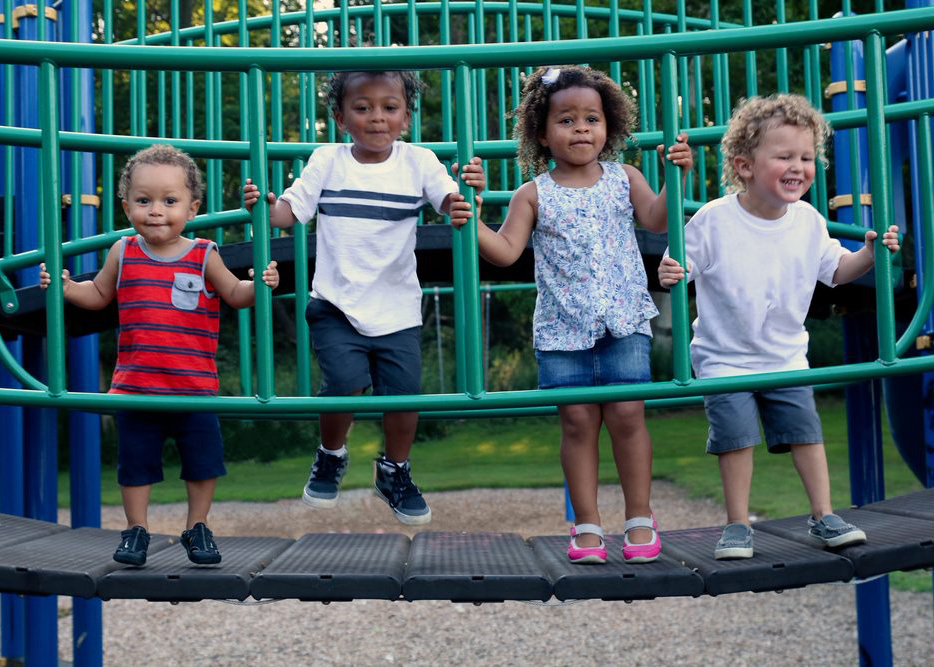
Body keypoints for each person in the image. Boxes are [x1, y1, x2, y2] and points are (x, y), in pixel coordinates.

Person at [452, 65, 693, 564]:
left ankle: (640, 519)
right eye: (566, 120)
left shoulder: (625, 178)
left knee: (628, 417)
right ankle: (586, 525)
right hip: (563, 330)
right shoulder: (533, 193)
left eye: (592, 119)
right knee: (578, 424)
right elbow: (504, 251)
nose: (581, 129)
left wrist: (676, 177)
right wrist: (472, 223)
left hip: (624, 320)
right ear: (542, 132)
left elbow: (656, 219)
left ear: (609, 127)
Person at [658, 94, 900, 559]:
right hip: (725, 358)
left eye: (807, 157)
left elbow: (836, 270)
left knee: (806, 433)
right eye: (785, 156)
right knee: (736, 437)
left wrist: (868, 255)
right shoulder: (715, 219)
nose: (799, 166)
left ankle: (824, 515)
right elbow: (679, 264)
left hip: (786, 355)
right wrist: (672, 271)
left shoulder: (807, 221)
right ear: (744, 165)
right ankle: (736, 525)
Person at [243, 70, 485, 525]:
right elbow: (288, 214)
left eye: (389, 108)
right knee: (344, 384)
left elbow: (451, 203)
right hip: (336, 302)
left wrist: (465, 197)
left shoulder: (418, 161)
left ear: (406, 116)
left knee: (404, 396)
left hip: (397, 307)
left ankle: (395, 471)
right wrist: (262, 204)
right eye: (362, 107)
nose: (377, 118)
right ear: (340, 117)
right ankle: (331, 453)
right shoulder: (328, 160)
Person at [40, 144, 279, 566]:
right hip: (135, 387)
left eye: (170, 201)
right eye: (143, 200)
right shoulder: (124, 251)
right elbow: (98, 294)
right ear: (126, 205)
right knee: (135, 465)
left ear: (192, 208)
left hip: (193, 387)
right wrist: (66, 288)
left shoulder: (204, 253)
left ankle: (198, 526)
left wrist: (259, 284)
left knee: (203, 464)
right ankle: (136, 530)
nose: (156, 211)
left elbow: (234, 295)